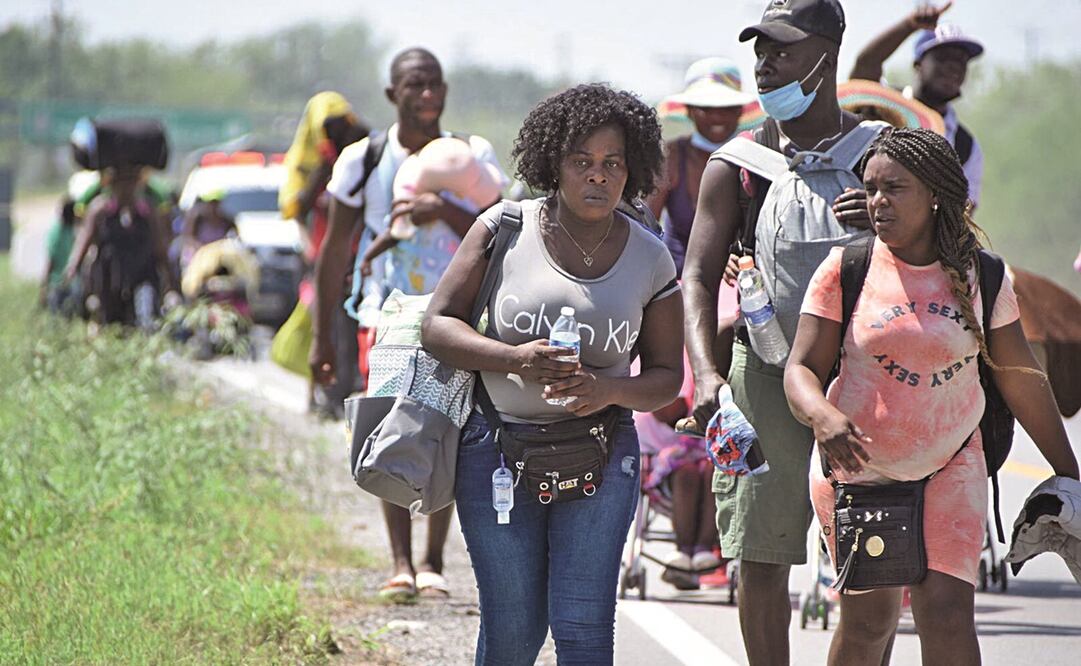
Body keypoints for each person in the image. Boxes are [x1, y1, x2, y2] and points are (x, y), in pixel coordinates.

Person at [784, 127, 1079, 665]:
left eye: (893, 188)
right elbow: (800, 369)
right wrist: (822, 415)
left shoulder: (982, 275)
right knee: (870, 623)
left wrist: (1070, 475)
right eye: (870, 188)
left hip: (952, 462)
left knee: (946, 615)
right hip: (859, 469)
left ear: (935, 193)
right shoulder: (846, 268)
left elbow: (1020, 377)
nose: (877, 202)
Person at [421, 82, 682, 665]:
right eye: (582, 162)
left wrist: (607, 389)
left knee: (584, 631)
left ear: (631, 168)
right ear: (553, 165)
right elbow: (437, 326)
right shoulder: (502, 229)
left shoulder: (650, 256)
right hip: (496, 450)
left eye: (612, 163)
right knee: (513, 633)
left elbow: (666, 376)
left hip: (602, 452)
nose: (598, 176)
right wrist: (516, 358)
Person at [682, 1, 885, 663]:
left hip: (866, 382)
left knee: (871, 563)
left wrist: (883, 221)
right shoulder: (736, 164)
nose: (766, 65)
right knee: (760, 556)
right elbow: (695, 275)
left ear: (826, 57)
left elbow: (943, 255)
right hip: (763, 374)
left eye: (783, 51)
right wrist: (709, 375)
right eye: (760, 52)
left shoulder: (880, 156)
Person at [310, 48, 507, 602]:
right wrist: (323, 337)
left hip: (458, 316)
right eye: (416, 85)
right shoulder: (364, 160)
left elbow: (501, 228)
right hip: (387, 312)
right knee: (390, 424)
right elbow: (334, 250)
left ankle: (434, 560)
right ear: (392, 93)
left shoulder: (469, 156)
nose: (428, 95)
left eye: (436, 85)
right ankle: (399, 562)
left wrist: (443, 210)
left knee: (450, 426)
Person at [280, 91, 368, 418]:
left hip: (356, 261)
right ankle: (320, 395)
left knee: (349, 330)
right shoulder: (317, 167)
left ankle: (342, 395)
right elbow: (297, 206)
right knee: (322, 327)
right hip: (322, 260)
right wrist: (323, 166)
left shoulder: (360, 162)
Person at [850, 2, 985, 208]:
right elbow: (865, 67)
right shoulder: (883, 106)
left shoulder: (964, 146)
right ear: (918, 65)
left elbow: (962, 216)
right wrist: (909, 25)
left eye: (961, 61)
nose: (953, 67)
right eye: (942, 58)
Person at [647, 57, 754, 277]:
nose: (717, 116)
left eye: (726, 107)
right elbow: (643, 225)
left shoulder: (756, 156)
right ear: (689, 111)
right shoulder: (671, 157)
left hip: (745, 285)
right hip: (679, 286)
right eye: (706, 108)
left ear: (740, 111)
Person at [64, 165, 176, 327]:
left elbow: (160, 246)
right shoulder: (100, 210)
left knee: (146, 320)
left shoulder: (147, 211)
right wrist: (72, 268)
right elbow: (84, 241)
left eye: (131, 182)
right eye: (121, 182)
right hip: (109, 280)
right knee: (111, 323)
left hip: (143, 276)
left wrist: (171, 281)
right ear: (111, 184)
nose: (126, 188)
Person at [41, 196, 80, 316]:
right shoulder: (75, 231)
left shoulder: (57, 231)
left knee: (58, 320)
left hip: (59, 284)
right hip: (68, 284)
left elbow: (50, 261)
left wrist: (44, 287)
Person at [178, 190, 236, 269]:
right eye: (210, 203)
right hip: (198, 260)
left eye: (215, 203)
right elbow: (188, 238)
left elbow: (234, 238)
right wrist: (204, 250)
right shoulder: (196, 220)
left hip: (220, 259)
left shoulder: (226, 221)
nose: (212, 206)